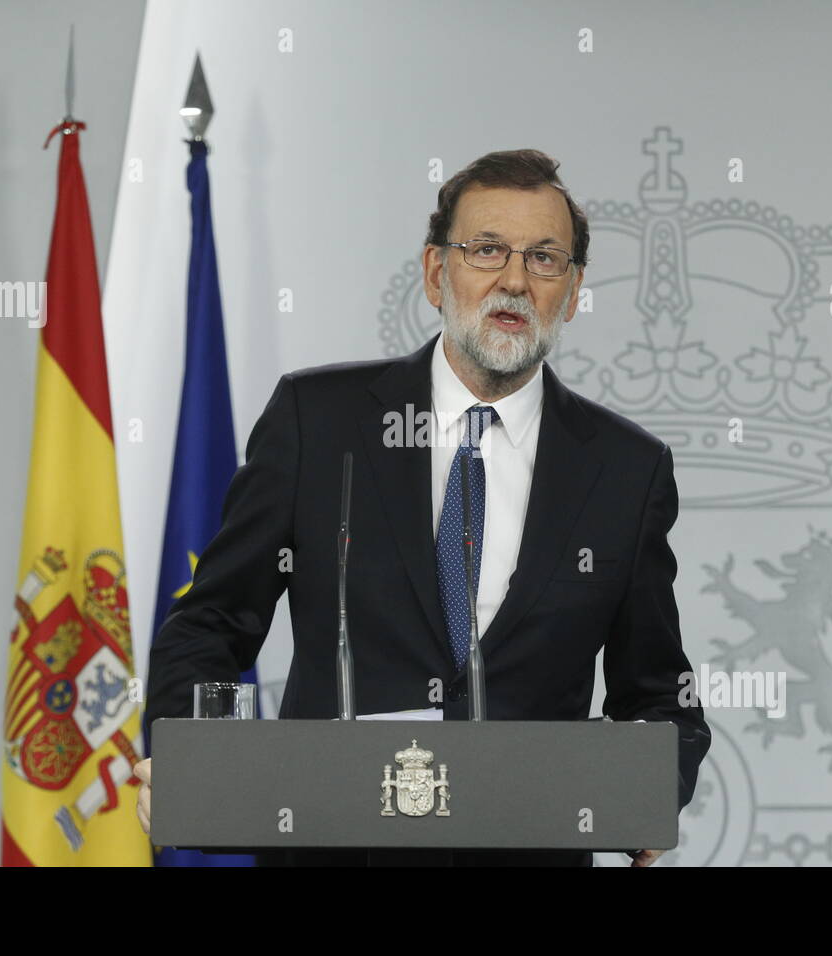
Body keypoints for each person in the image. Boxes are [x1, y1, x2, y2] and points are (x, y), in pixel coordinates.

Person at [135, 148, 711, 866]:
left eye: (544, 259)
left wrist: (654, 791)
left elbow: (659, 691)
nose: (514, 281)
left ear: (573, 289)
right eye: (487, 250)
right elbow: (210, 623)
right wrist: (190, 756)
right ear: (438, 272)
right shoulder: (318, 423)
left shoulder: (627, 470)